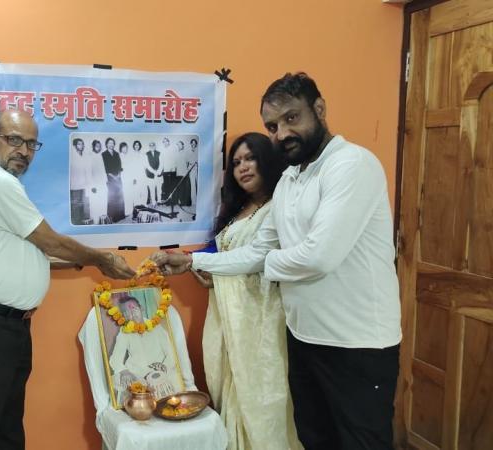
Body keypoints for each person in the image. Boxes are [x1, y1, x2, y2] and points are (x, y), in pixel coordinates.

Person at [152, 72, 402, 450]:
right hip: (304, 337)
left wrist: (265, 266)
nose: (282, 133)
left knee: (359, 442)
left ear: (319, 109)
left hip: (358, 344)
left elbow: (319, 257)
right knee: (314, 438)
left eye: (291, 118)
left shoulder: (351, 165)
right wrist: (193, 263)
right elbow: (256, 250)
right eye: (272, 125)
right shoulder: (289, 182)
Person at [0, 109, 135, 450]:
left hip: (8, 328)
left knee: (6, 423)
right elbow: (50, 241)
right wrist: (100, 259)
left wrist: (84, 264)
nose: (23, 150)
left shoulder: (1, 185)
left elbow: (40, 253)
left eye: (31, 144)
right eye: (14, 140)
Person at [191, 132, 299, 449]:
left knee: (265, 396)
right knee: (230, 388)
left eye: (250, 158)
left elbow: (261, 260)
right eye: (236, 162)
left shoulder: (280, 207)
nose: (243, 167)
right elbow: (224, 256)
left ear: (267, 160)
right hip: (229, 319)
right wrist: (208, 271)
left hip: (264, 320)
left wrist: (204, 266)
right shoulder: (236, 211)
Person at [107, 295, 178, 405]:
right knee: (116, 381)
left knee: (172, 382)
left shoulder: (156, 327)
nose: (131, 313)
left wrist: (164, 367)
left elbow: (171, 353)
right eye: (126, 312)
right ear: (124, 316)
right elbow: (115, 359)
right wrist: (124, 371)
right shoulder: (124, 332)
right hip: (137, 373)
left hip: (158, 371)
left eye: (134, 308)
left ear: (141, 309)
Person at [101, 137, 125, 223]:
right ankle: (112, 217)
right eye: (109, 143)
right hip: (110, 179)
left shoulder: (117, 153)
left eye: (112, 143)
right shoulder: (103, 154)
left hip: (118, 178)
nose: (111, 144)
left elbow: (119, 165)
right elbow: (105, 167)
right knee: (112, 198)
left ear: (114, 144)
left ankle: (120, 216)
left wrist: (118, 175)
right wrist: (113, 177)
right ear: (106, 144)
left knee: (120, 197)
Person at [69, 138, 92, 224]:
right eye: (79, 144)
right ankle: (76, 221)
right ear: (75, 146)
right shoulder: (72, 156)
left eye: (82, 144)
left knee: (85, 203)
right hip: (75, 184)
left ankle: (83, 220)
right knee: (76, 203)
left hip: (85, 184)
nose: (81, 146)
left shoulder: (84, 156)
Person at [88, 139, 108, 224]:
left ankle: (102, 220)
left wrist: (106, 180)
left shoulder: (101, 155)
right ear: (93, 146)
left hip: (102, 182)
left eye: (99, 146)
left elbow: (103, 169)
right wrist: (92, 185)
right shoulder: (90, 156)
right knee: (94, 202)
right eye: (97, 146)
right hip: (94, 184)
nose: (98, 148)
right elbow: (89, 171)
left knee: (103, 200)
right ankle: (95, 221)